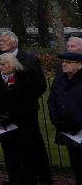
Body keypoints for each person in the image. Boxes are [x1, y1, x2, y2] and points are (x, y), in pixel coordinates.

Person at [0, 31, 51, 183]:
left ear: (15, 42)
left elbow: (40, 84)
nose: (1, 42)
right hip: (5, 115)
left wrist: (23, 101)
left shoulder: (29, 59)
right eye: (0, 40)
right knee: (11, 152)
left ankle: (41, 177)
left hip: (25, 114)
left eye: (5, 40)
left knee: (32, 148)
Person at [0, 51, 41, 184]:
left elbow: (28, 104)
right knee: (9, 156)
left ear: (12, 64)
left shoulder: (24, 79)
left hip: (21, 125)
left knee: (25, 157)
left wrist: (11, 116)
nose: (0, 67)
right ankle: (14, 180)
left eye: (3, 64)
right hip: (4, 125)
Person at [49, 50, 82, 185]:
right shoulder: (59, 80)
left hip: (79, 128)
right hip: (66, 129)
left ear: (79, 65)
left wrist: (78, 124)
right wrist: (56, 120)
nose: (64, 64)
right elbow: (52, 101)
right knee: (76, 163)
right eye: (63, 62)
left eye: (68, 62)